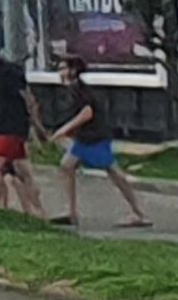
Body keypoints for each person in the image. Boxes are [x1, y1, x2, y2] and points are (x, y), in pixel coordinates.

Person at [53, 60, 148, 229]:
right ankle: (70, 212)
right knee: (66, 166)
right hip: (86, 137)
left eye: (62, 68)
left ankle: (137, 213)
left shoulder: (78, 90)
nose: (59, 72)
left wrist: (64, 129)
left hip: (94, 137)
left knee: (114, 172)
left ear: (73, 70)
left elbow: (87, 113)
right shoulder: (76, 88)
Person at [0, 42, 41, 216]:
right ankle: (35, 210)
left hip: (11, 128)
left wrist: (36, 124)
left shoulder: (10, 72)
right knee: (21, 171)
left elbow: (27, 98)